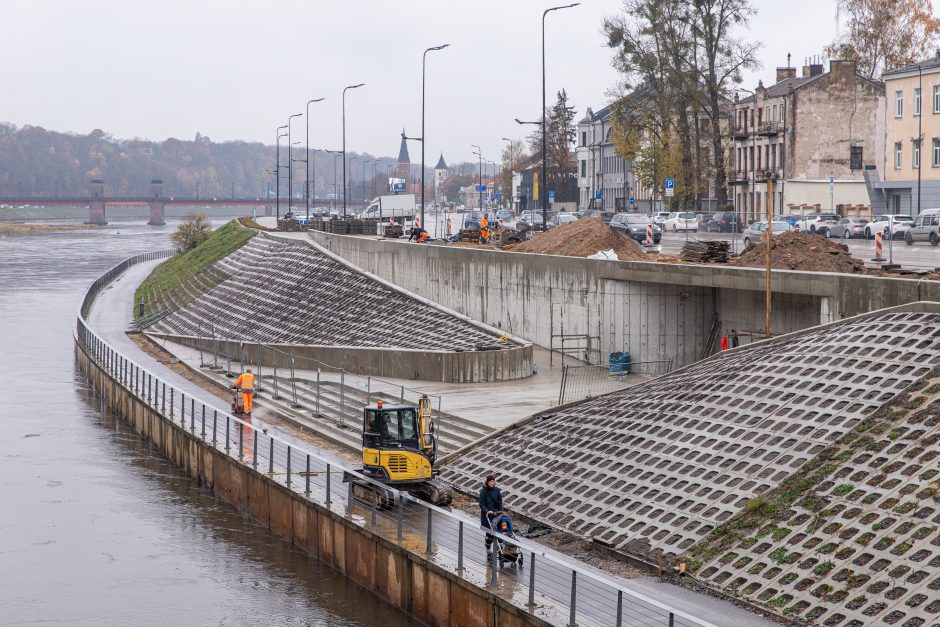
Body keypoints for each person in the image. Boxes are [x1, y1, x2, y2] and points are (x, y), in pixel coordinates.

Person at [479, 474, 503, 549]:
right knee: (489, 534)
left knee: (498, 532)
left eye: (493, 481)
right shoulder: (483, 492)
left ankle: (499, 549)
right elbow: (482, 504)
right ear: (487, 482)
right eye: (491, 481)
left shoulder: (497, 490)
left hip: (496, 515)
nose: (492, 483)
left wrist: (501, 511)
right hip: (487, 516)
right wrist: (487, 511)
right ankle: (488, 547)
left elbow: (500, 502)